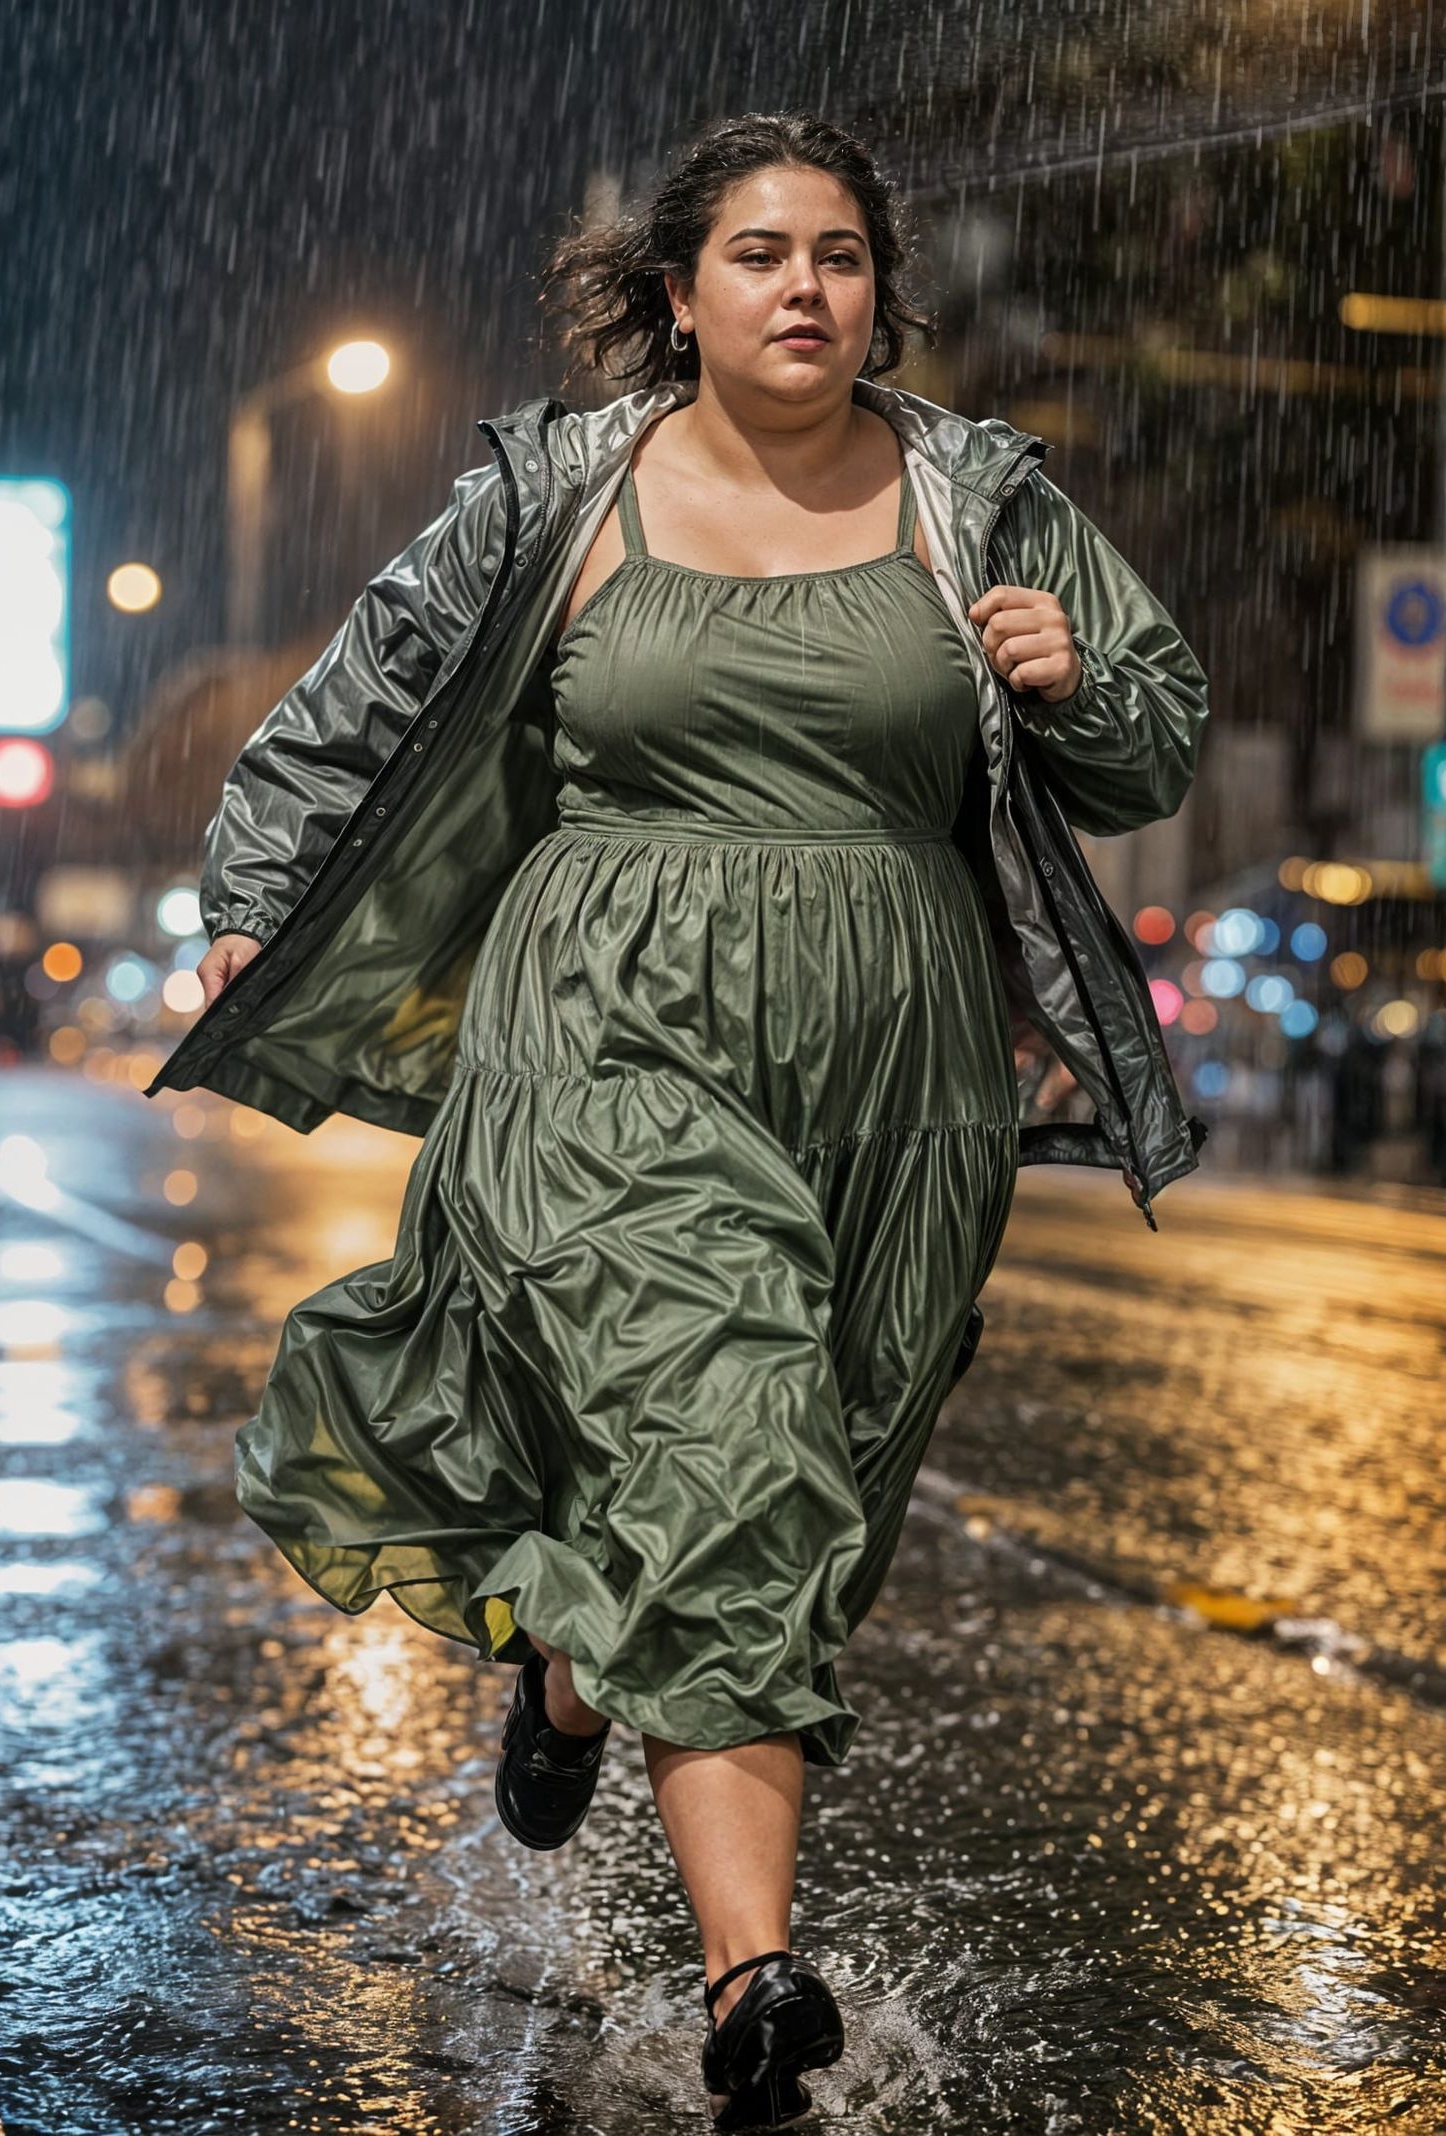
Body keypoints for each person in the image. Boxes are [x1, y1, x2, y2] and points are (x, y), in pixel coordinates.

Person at [175, 112, 1208, 2129]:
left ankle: (569, 1666)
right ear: (678, 295)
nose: (802, 287)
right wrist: (248, 900)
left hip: (898, 1075)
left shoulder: (972, 496)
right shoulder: (560, 492)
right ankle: (756, 1985)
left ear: (873, 295)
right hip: (605, 1036)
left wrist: (1072, 676)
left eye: (835, 255)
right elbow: (362, 697)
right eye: (755, 253)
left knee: (800, 1503)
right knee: (725, 1448)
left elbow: (1146, 733)